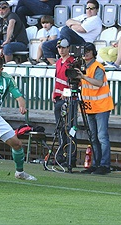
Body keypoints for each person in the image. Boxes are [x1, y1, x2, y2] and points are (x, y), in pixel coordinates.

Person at [76, 42, 114, 175]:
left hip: (101, 106)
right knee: (93, 137)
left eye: (88, 50)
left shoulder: (97, 67)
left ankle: (104, 165)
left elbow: (98, 83)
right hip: (90, 107)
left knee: (102, 136)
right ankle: (97, 164)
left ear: (93, 52)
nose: (86, 53)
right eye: (84, 50)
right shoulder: (82, 67)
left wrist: (83, 77)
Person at [42, 0, 102, 65]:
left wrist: (71, 26)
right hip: (70, 40)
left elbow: (81, 29)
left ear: (97, 10)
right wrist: (78, 23)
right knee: (46, 45)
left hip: (82, 43)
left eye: (92, 8)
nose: (89, 10)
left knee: (65, 29)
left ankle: (63, 49)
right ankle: (58, 65)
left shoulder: (95, 19)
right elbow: (67, 21)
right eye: (87, 8)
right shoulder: (83, 16)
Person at [52, 39, 77, 167]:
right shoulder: (58, 62)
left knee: (69, 128)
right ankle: (61, 155)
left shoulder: (72, 62)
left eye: (63, 48)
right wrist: (53, 93)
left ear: (68, 48)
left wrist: (65, 93)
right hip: (58, 98)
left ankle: (71, 157)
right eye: (59, 48)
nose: (61, 50)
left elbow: (73, 82)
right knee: (60, 128)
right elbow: (58, 79)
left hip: (68, 99)